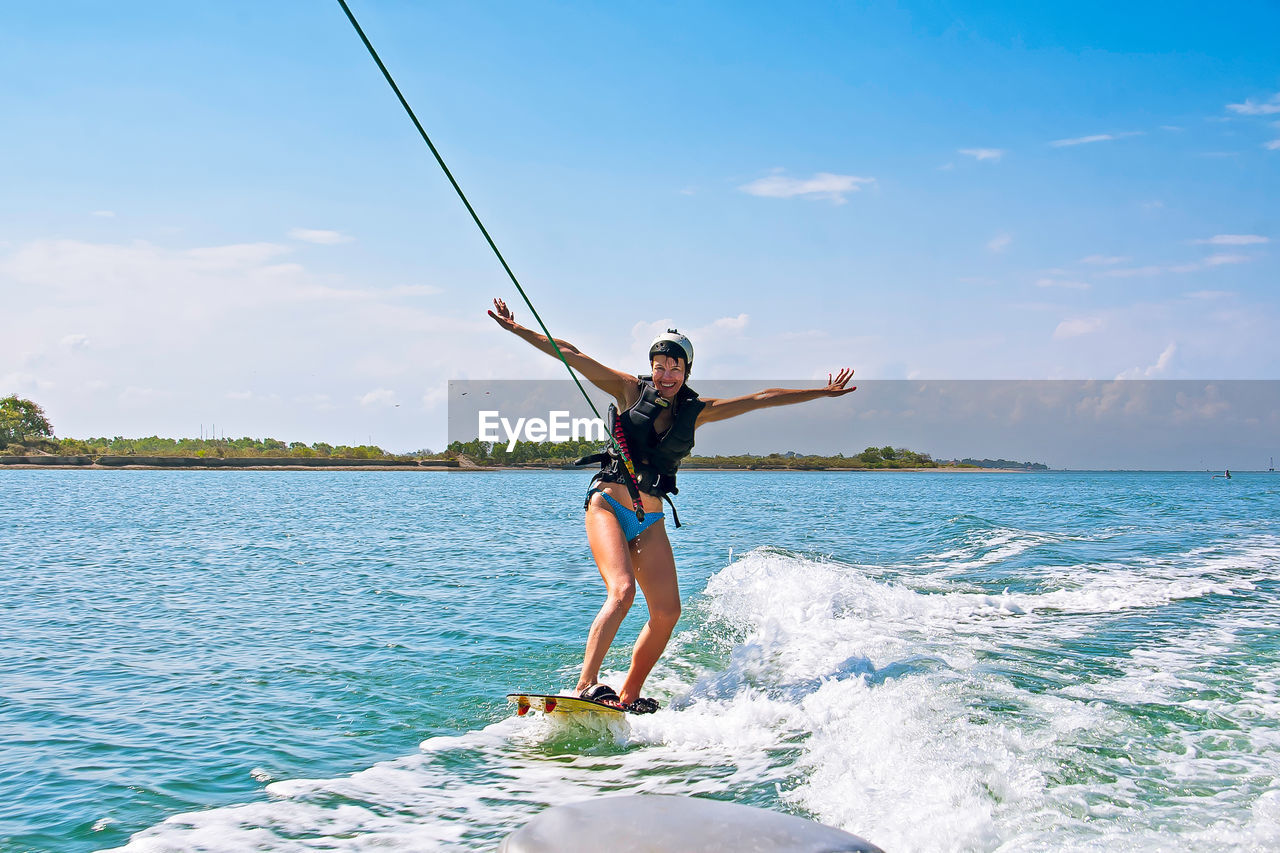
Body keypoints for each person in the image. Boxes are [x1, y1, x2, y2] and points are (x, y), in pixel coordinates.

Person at [488, 298, 856, 712]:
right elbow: (572, 354)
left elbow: (763, 398)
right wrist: (517, 330)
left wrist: (823, 392)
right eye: (660, 366)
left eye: (675, 368)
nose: (665, 375)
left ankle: (627, 695)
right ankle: (585, 684)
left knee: (667, 612)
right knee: (623, 591)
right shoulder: (628, 389)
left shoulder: (698, 412)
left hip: (650, 520)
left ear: (687, 372)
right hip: (608, 504)